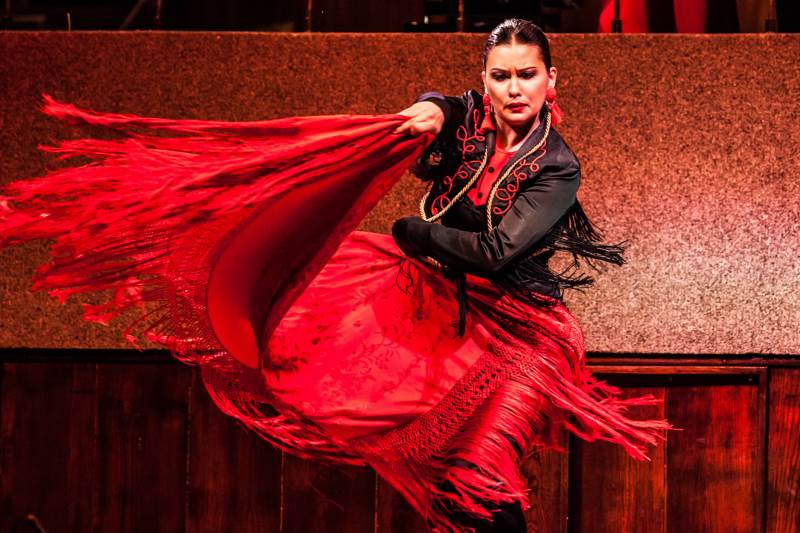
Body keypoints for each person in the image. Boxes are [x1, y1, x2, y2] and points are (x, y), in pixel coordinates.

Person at [0, 18, 672, 533]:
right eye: (502, 76)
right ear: (486, 79)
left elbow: (496, 250)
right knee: (440, 472)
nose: (514, 89)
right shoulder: (470, 116)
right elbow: (443, 105)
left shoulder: (556, 165)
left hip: (524, 335)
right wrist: (431, 107)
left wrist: (414, 232)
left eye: (527, 75)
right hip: (442, 303)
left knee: (480, 473)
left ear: (552, 81)